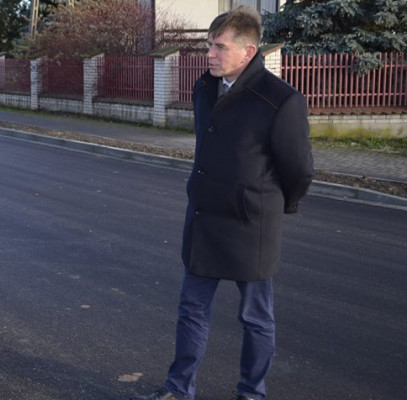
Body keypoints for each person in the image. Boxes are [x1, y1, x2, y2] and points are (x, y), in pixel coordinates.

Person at [132, 5, 313, 400]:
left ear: (248, 52)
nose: (209, 54)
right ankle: (179, 389)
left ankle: (251, 393)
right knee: (191, 309)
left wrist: (271, 204)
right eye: (208, 46)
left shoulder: (280, 100)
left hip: (252, 225)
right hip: (204, 219)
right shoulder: (204, 88)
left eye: (219, 47)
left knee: (256, 318)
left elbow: (299, 170)